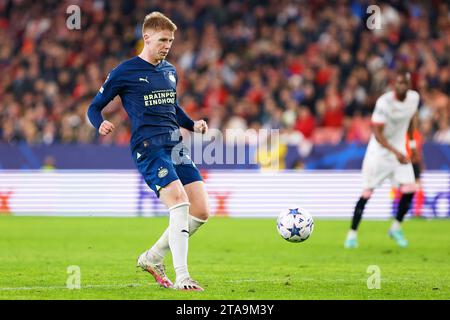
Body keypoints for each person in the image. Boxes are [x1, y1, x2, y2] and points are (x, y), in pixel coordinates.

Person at [87, 12, 210, 291]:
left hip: (175, 146)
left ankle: (152, 257)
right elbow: (94, 107)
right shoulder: (124, 71)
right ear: (147, 37)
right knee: (179, 201)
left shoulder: (169, 71)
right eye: (163, 39)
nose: (167, 45)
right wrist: (101, 123)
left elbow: (173, 107)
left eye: (171, 40)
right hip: (148, 147)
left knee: (201, 211)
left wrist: (192, 124)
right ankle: (183, 277)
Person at [344, 70, 420, 248]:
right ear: (395, 84)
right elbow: (377, 134)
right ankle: (352, 234)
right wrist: (397, 153)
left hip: (399, 150)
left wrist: (412, 145)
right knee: (367, 193)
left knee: (410, 189)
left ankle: (395, 228)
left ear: (409, 85)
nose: (402, 86)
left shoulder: (413, 98)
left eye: (405, 83)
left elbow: (410, 120)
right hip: (379, 153)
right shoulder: (384, 102)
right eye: (399, 82)